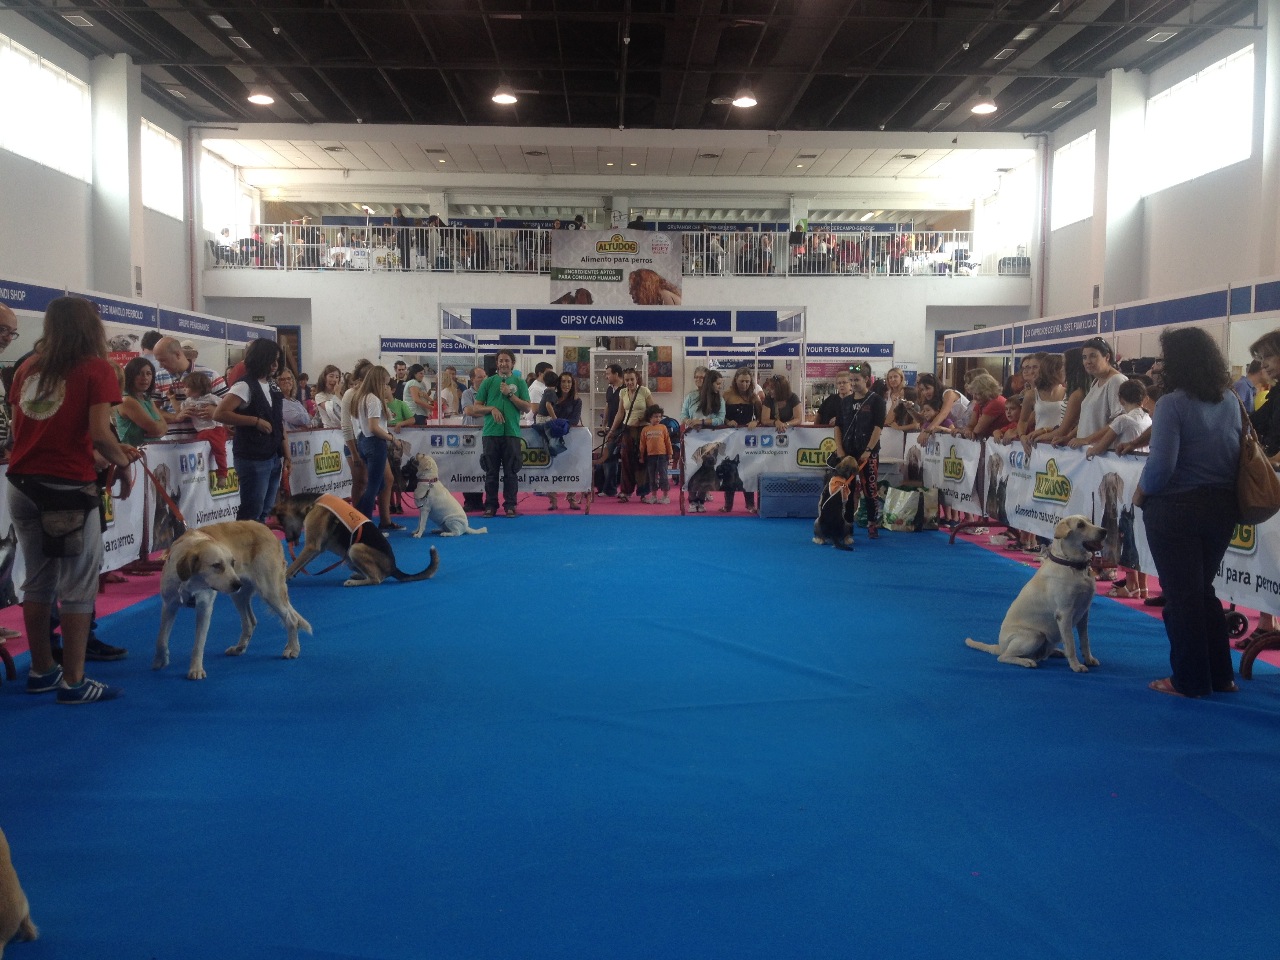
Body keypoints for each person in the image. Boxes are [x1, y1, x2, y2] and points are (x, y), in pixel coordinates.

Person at [10, 296, 142, 704]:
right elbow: (101, 434)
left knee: (37, 581)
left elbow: (18, 432)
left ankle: (41, 670)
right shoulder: (95, 368)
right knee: (79, 586)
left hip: (21, 484)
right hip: (66, 487)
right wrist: (123, 461)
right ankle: (74, 680)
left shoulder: (27, 368)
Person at [1136, 327, 1241, 699]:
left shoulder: (1172, 403)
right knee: (1203, 592)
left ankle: (1190, 680)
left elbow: (1161, 467)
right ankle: (1221, 675)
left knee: (1181, 597)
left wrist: (1140, 494)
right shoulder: (1229, 400)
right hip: (1221, 507)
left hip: (1177, 509)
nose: (1159, 366)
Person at [213, 338, 290, 523]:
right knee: (251, 512)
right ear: (260, 359)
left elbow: (278, 422)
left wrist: (287, 454)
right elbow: (219, 413)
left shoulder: (272, 385)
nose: (275, 365)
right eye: (271, 359)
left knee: (265, 511)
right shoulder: (244, 385)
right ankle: (244, 542)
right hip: (252, 457)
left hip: (273, 456)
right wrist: (254, 421)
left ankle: (257, 541)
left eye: (277, 360)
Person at [476, 349, 532, 518]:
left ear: (512, 363)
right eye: (501, 360)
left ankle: (510, 505)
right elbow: (476, 407)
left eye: (507, 360)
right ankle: (490, 505)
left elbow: (527, 407)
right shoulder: (488, 382)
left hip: (512, 432)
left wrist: (510, 395)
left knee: (511, 472)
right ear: (497, 363)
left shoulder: (520, 382)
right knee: (491, 472)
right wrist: (491, 408)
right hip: (491, 432)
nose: (503, 363)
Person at [833, 365, 886, 540]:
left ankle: (872, 523)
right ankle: (847, 524)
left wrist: (869, 449)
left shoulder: (877, 401)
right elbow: (838, 427)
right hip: (848, 452)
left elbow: (878, 427)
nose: (853, 383)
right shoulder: (845, 402)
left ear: (867, 379)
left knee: (869, 489)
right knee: (847, 489)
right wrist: (840, 449)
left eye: (857, 380)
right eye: (852, 380)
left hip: (868, 453)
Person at [152, 336, 228, 439]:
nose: (161, 365)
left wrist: (216, 412)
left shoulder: (211, 375)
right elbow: (152, 410)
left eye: (163, 360)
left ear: (178, 354)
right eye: (158, 361)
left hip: (206, 442)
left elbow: (230, 408)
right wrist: (175, 417)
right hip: (169, 443)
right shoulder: (158, 378)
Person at [351, 366, 399, 521]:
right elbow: (374, 428)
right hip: (374, 443)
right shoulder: (373, 400)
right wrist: (392, 438)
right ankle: (362, 521)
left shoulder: (362, 397)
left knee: (380, 484)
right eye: (384, 383)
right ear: (378, 382)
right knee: (373, 487)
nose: (386, 387)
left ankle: (356, 518)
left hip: (364, 441)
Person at [1067, 337, 1127, 449]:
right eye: (1084, 357)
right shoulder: (1095, 382)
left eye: (1093, 356)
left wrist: (1087, 440)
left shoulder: (1116, 381)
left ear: (1107, 357)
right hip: (1089, 452)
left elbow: (1119, 421)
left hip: (1104, 453)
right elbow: (1087, 420)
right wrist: (1068, 437)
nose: (1088, 361)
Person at [605, 367, 654, 502]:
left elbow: (654, 410)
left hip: (643, 430)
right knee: (625, 459)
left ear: (636, 378)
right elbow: (620, 413)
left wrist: (643, 418)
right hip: (627, 429)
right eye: (627, 380)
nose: (629, 382)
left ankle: (643, 493)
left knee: (642, 460)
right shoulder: (622, 392)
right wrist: (612, 431)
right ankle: (626, 492)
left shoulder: (644, 391)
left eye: (632, 379)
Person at [543, 371, 583, 511]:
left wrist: (558, 423)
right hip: (552, 437)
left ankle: (571, 498)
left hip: (569, 438)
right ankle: (553, 500)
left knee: (571, 468)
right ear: (559, 383)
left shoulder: (577, 401)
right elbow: (543, 413)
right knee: (551, 468)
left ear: (572, 384)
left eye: (569, 382)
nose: (566, 384)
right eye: (564, 381)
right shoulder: (552, 397)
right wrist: (560, 423)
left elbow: (574, 420)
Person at [182, 370, 231, 482]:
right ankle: (200, 475)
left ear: (197, 388)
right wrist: (172, 399)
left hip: (215, 429)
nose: (184, 390)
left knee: (219, 450)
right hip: (201, 431)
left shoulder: (211, 398)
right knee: (200, 451)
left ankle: (222, 473)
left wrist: (215, 411)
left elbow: (225, 406)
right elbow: (179, 409)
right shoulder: (188, 401)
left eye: (187, 387)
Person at [114, 356, 168, 447]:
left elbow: (165, 428)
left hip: (152, 451)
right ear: (130, 375)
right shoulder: (127, 400)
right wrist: (160, 428)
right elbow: (156, 429)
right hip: (134, 452)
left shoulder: (147, 398)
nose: (145, 378)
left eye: (148, 373)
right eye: (139, 373)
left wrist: (161, 428)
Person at [459, 366, 488, 512]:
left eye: (484, 376)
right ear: (472, 379)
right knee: (469, 468)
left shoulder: (489, 393)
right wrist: (490, 410)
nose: (483, 379)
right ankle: (469, 501)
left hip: (486, 434)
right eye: (479, 377)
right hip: (470, 436)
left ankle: (481, 500)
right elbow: (469, 411)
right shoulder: (467, 393)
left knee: (483, 468)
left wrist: (480, 410)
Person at [915, 373, 971, 443]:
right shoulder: (933, 399)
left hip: (969, 427)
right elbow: (923, 419)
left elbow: (943, 414)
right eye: (922, 390)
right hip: (959, 431)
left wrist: (927, 431)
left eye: (928, 388)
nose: (925, 392)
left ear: (935, 386)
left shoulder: (949, 393)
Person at [637, 404, 673, 505]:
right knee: (652, 477)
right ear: (649, 417)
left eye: (659, 416)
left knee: (663, 475)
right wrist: (641, 456)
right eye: (655, 416)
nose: (658, 419)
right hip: (650, 457)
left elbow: (667, 441)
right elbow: (642, 444)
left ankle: (665, 496)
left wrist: (670, 453)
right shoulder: (645, 430)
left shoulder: (663, 428)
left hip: (662, 456)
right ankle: (653, 496)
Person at [960, 373, 1010, 439]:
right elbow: (971, 425)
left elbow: (977, 431)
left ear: (987, 392)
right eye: (973, 394)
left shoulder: (996, 402)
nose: (974, 397)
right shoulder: (981, 402)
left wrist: (963, 431)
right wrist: (968, 430)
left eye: (977, 394)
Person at [313, 364, 344, 428]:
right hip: (330, 430)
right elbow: (335, 412)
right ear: (324, 378)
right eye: (331, 376)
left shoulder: (341, 395)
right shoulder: (320, 396)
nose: (334, 379)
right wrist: (337, 393)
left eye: (337, 377)